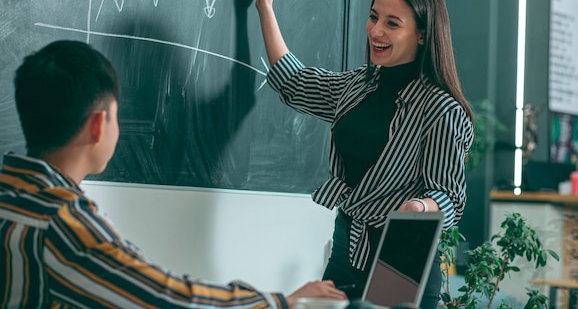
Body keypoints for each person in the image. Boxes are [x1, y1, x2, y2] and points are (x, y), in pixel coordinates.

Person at [0, 40, 347, 308]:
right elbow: (165, 299)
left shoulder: (12, 194)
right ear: (97, 126)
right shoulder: (59, 221)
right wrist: (284, 302)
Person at [254, 0, 474, 309]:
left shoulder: (440, 109)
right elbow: (293, 83)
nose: (376, 30)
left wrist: (420, 206)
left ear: (422, 33)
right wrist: (265, 7)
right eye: (374, 17)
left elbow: (449, 196)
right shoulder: (357, 86)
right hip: (347, 246)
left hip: (401, 258)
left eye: (392, 23)